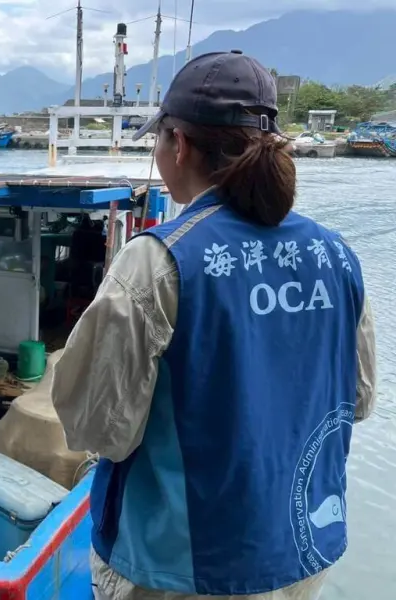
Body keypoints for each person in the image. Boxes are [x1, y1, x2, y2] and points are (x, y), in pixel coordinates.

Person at [51, 50, 376, 600]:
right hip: (301, 552)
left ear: (178, 144)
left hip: (183, 569)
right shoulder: (337, 255)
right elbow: (359, 400)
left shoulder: (157, 261)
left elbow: (97, 428)